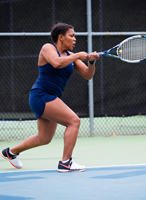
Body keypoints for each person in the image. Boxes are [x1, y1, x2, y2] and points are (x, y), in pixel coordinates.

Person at [1, 22, 99, 172]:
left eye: (75, 36)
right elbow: (56, 63)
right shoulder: (48, 48)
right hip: (41, 95)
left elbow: (87, 75)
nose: (74, 39)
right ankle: (66, 162)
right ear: (61, 37)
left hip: (50, 97)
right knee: (74, 121)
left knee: (44, 139)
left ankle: (11, 152)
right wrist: (79, 55)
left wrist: (91, 62)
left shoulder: (71, 56)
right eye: (71, 36)